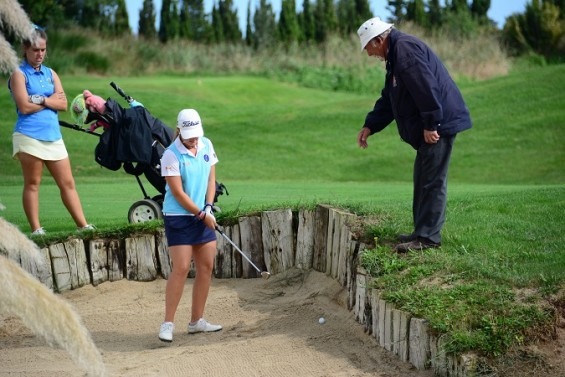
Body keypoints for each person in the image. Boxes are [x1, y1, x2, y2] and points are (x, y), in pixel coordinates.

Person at [356, 17, 472, 252]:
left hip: (438, 125)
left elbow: (425, 87)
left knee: (432, 181)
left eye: (369, 48)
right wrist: (371, 125)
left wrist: (431, 124)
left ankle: (428, 239)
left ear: (379, 40)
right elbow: (390, 98)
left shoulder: (405, 50)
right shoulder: (396, 54)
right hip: (434, 123)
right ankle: (421, 232)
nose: (370, 54)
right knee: (423, 178)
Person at [8, 26, 94, 236]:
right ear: (25, 49)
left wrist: (42, 99)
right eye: (35, 50)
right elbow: (24, 107)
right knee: (33, 183)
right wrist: (50, 101)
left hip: (53, 137)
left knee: (67, 183)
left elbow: (63, 104)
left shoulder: (51, 74)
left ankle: (83, 225)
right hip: (28, 135)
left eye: (43, 50)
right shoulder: (18, 74)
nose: (40, 55)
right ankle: (37, 229)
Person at [158, 108, 222, 342]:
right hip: (179, 216)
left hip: (201, 213)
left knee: (206, 266)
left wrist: (208, 206)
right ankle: (167, 324)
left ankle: (197, 321)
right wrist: (200, 213)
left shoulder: (206, 144)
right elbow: (178, 192)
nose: (194, 140)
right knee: (182, 267)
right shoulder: (170, 155)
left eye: (196, 135)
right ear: (179, 131)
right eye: (190, 136)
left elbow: (211, 179)